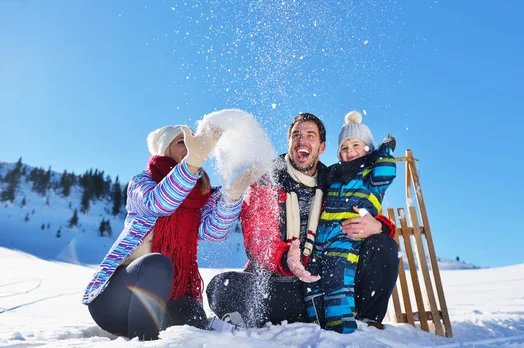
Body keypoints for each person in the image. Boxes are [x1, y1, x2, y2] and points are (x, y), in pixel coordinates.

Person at [206, 113, 400, 329]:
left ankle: (366, 322)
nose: (302, 141)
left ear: (322, 147)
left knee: (384, 245)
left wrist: (380, 226)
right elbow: (258, 239)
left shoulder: (334, 181)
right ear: (289, 142)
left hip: (329, 280)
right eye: (296, 135)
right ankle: (296, 316)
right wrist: (285, 259)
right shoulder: (268, 179)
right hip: (280, 284)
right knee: (221, 287)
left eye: (310, 135)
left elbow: (357, 205)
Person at [82, 122, 260, 340]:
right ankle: (145, 344)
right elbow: (160, 203)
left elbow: (214, 231)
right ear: (165, 149)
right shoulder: (142, 183)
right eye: (181, 142)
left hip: (167, 300)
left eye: (194, 143)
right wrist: (192, 164)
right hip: (116, 302)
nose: (190, 146)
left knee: (197, 325)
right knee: (156, 264)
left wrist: (233, 195)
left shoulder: (200, 197)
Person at [305, 111, 397, 333]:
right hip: (323, 239)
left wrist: (384, 151)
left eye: (357, 145)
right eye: (344, 148)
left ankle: (342, 326)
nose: (350, 152)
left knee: (338, 275)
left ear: (368, 148)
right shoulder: (334, 178)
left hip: (348, 238)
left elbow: (386, 173)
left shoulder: (371, 177)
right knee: (312, 277)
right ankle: (316, 323)